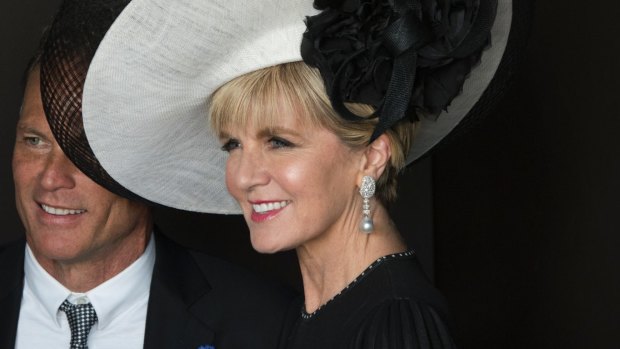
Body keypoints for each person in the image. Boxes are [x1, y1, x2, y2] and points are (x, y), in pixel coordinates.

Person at [80, 0, 525, 347]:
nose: (243, 177)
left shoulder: (394, 323)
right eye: (233, 144)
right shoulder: (314, 312)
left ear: (371, 156)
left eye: (279, 142)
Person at [0, 1, 294, 348]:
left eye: (86, 152)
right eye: (35, 141)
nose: (51, 178)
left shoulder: (264, 324)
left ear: (153, 163)